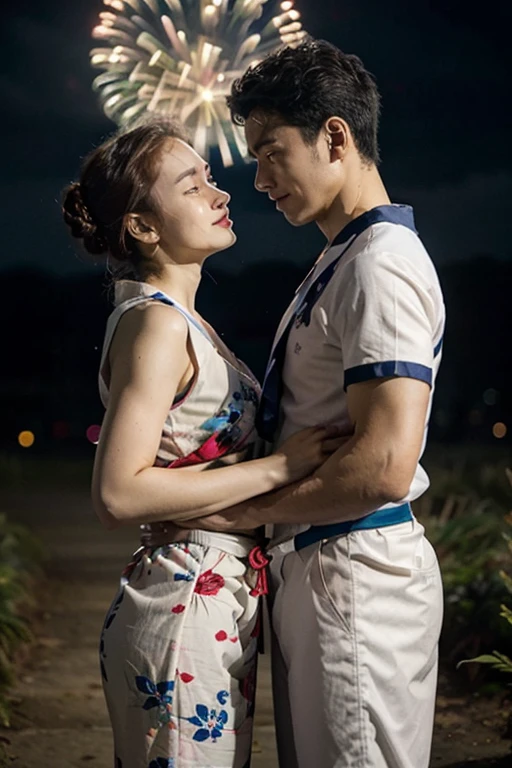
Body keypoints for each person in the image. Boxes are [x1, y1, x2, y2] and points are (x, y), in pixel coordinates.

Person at [180, 39, 446, 768]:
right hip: (323, 567)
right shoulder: (345, 258)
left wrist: (241, 513)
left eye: (272, 153)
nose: (260, 180)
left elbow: (385, 466)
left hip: (356, 573)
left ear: (335, 134)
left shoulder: (381, 265)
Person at [61, 116, 343, 768]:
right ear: (143, 226)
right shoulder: (155, 325)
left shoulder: (179, 320)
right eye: (193, 187)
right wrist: (279, 468)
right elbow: (119, 491)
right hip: (181, 606)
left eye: (211, 179)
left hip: (207, 602)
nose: (220, 195)